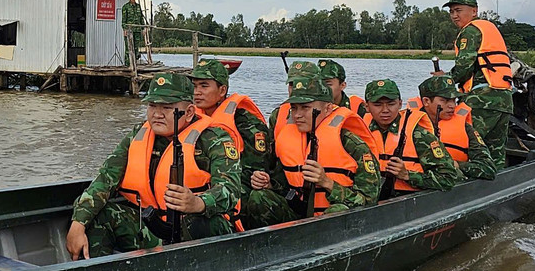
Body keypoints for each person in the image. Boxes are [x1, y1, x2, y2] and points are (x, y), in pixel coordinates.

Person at [67, 73, 243, 259]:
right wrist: (78, 223)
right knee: (99, 215)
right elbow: (105, 178)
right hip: (154, 227)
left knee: (201, 222)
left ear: (189, 112)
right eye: (152, 106)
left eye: (167, 108)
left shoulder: (215, 139)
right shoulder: (138, 135)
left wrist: (198, 203)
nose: (157, 114)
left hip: (197, 230)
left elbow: (230, 189)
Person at [191, 57, 294, 227]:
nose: (197, 92)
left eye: (204, 85)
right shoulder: (190, 118)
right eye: (194, 86)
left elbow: (253, 172)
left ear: (222, 90)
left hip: (235, 187)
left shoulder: (247, 124)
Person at [271, 75, 382, 216]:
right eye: (294, 108)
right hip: (298, 212)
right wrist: (270, 184)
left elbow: (369, 202)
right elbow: (283, 186)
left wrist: (327, 182)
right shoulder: (287, 138)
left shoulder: (351, 143)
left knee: (337, 211)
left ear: (328, 109)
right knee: (260, 197)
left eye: (305, 108)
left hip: (336, 218)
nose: (297, 115)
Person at [443, 0, 513, 170]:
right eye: (451, 12)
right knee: (495, 151)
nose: (454, 15)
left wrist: (443, 82)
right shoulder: (488, 28)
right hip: (504, 99)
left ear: (474, 11)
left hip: (483, 98)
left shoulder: (470, 31)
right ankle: (497, 184)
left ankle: (460, 184)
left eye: (458, 10)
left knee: (463, 142)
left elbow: (463, 67)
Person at [363, 79, 462, 198]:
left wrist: (408, 175)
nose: (385, 110)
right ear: (367, 107)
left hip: (409, 199)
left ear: (400, 104)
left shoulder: (419, 135)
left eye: (391, 104)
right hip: (373, 199)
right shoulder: (360, 132)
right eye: (378, 105)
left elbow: (448, 179)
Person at [418, 73, 496, 181]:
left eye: (453, 100)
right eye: (444, 100)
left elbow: (488, 168)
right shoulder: (407, 125)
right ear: (426, 101)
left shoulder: (465, 128)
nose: (452, 106)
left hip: (451, 184)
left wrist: (457, 165)